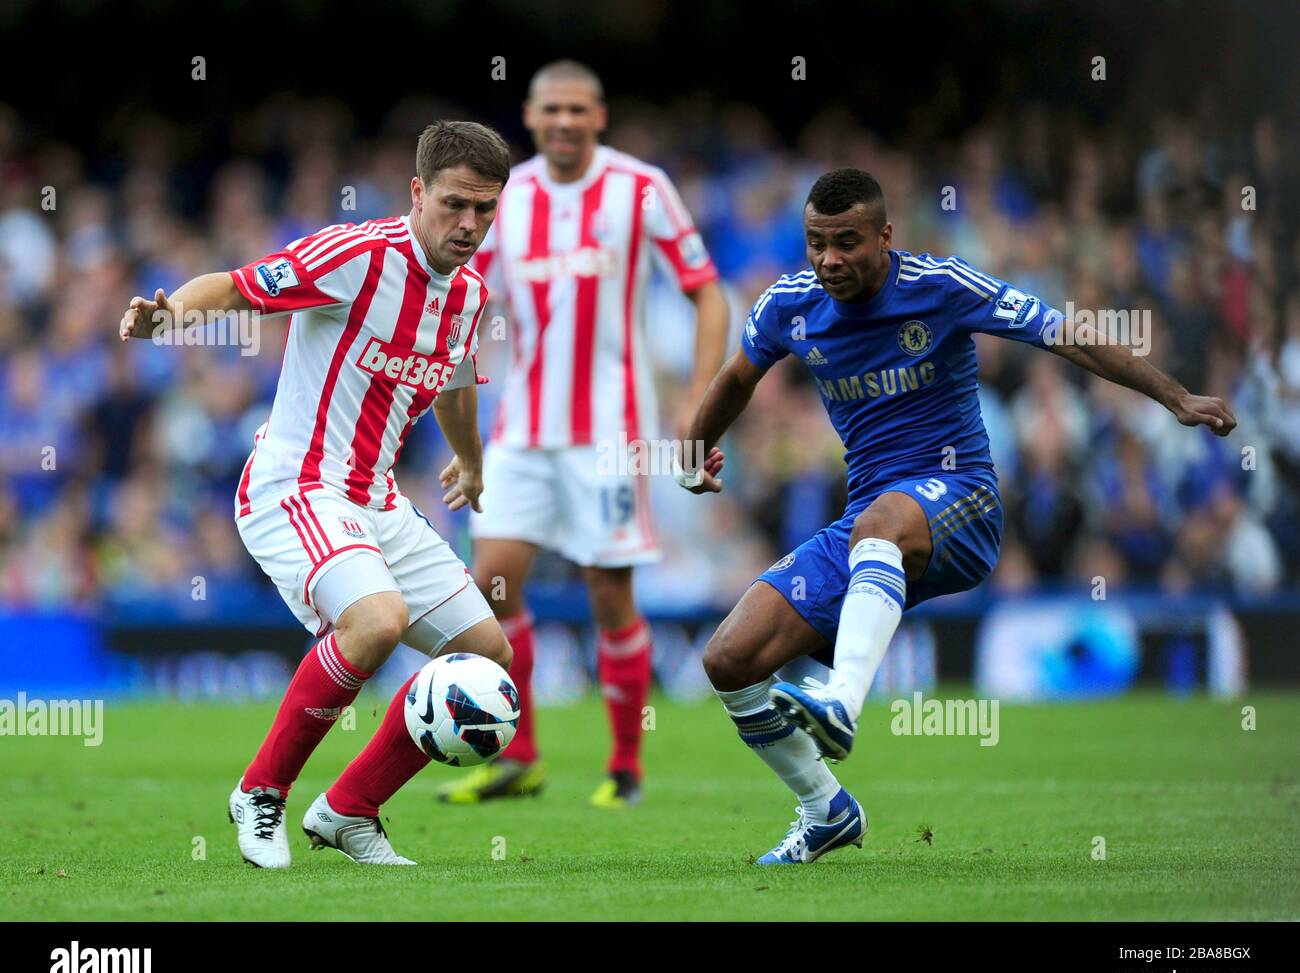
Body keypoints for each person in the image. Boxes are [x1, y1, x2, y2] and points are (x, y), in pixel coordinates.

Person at [677, 167, 1238, 864]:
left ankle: (842, 702)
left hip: (961, 500)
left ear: (886, 236)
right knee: (729, 657)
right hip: (872, 526)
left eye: (847, 242)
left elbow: (1066, 334)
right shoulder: (788, 305)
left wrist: (1176, 397)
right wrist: (695, 447)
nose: (829, 260)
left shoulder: (942, 286)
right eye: (817, 243)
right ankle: (826, 810)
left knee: (879, 520)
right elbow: (736, 377)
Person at [118, 121, 515, 867]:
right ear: (418, 192)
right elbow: (240, 287)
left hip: (376, 499)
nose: (469, 225)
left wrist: (470, 460)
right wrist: (170, 318)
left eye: (485, 211)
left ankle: (349, 810)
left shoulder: (468, 294)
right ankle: (260, 792)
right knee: (377, 621)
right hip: (295, 482)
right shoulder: (358, 255)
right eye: (456, 204)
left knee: (487, 657)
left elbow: (458, 377)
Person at [436, 61, 729, 807]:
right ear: (531, 119)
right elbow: (466, 303)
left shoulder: (640, 187)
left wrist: (699, 404)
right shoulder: (510, 196)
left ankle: (624, 767)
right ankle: (519, 758)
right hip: (523, 427)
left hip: (612, 427)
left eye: (577, 109)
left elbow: (707, 292)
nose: (564, 121)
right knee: (491, 585)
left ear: (599, 116)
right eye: (551, 110)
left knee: (607, 593)